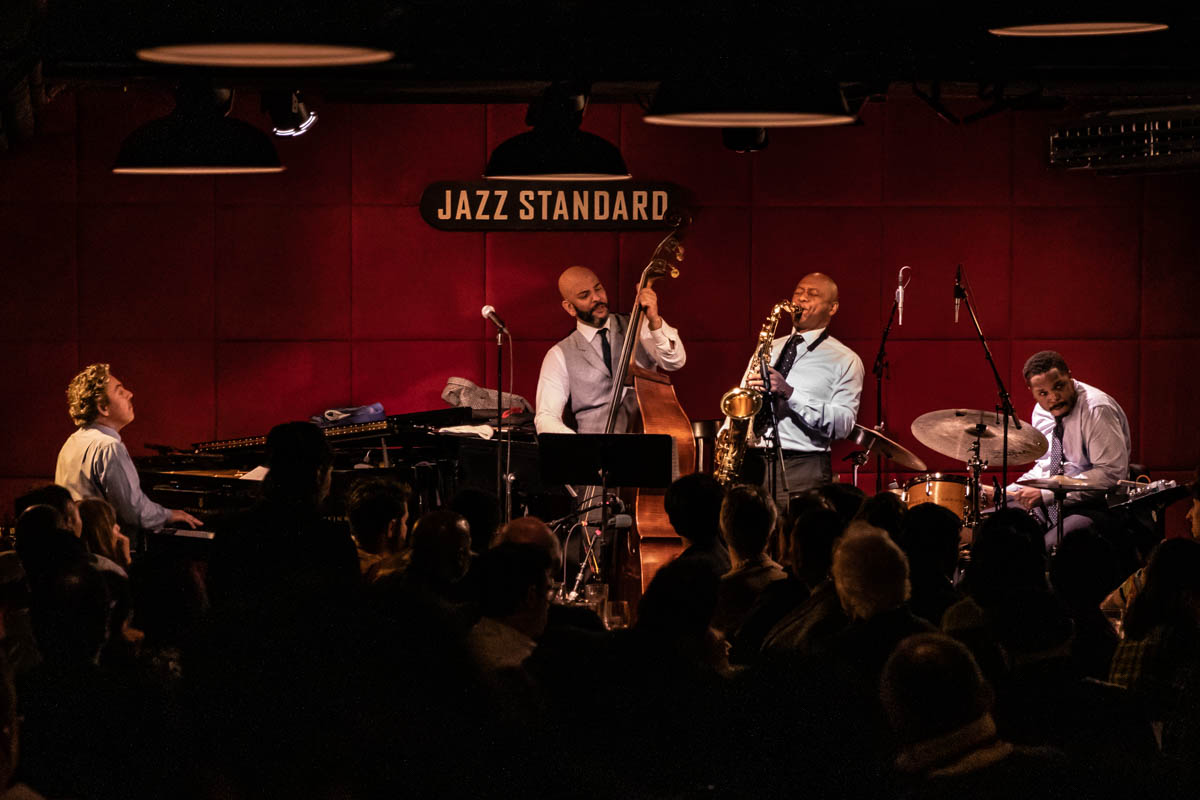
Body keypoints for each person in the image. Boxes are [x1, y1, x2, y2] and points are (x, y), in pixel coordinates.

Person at [742, 272, 864, 504]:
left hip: (803, 466)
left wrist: (790, 393)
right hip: (751, 463)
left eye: (812, 294)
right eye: (798, 292)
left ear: (833, 308)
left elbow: (844, 425)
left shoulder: (845, 359)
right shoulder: (769, 347)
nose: (802, 299)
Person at [993, 350, 1130, 550]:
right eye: (1043, 393)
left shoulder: (1097, 409)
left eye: (1059, 386)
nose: (1054, 397)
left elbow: (1111, 475)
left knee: (1050, 548)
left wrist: (1046, 494)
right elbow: (1047, 467)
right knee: (1005, 533)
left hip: (1100, 506)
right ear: (1031, 391)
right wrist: (1006, 493)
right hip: (1057, 502)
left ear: (1070, 376)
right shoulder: (1042, 411)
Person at [534, 265, 686, 434]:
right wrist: (579, 446)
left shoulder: (639, 326)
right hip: (593, 456)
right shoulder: (558, 354)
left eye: (598, 288)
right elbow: (545, 417)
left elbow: (675, 361)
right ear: (570, 307)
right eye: (585, 295)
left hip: (645, 446)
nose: (597, 298)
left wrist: (655, 320)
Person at [54, 364, 200, 532]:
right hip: (104, 549)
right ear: (103, 408)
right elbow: (134, 512)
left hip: (79, 547)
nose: (130, 394)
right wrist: (169, 515)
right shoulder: (109, 447)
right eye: (120, 391)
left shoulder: (72, 442)